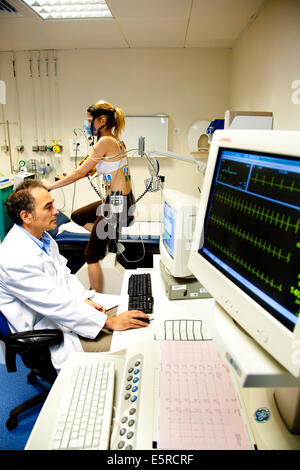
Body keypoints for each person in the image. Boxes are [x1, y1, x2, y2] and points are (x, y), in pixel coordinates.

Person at [0, 180, 148, 372]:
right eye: (48, 207)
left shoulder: (43, 239)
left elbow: (65, 276)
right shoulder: (15, 258)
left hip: (68, 312)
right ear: (26, 216)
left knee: (138, 312)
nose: (56, 211)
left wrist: (85, 300)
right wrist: (109, 322)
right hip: (49, 331)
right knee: (135, 346)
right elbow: (55, 304)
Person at [44, 100, 135, 293]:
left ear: (102, 120)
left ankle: (97, 300)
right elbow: (90, 170)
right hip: (120, 201)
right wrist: (66, 176)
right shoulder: (116, 140)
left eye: (89, 120)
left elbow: (80, 173)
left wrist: (51, 186)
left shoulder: (105, 142)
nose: (87, 125)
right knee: (78, 216)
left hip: (117, 204)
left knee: (91, 255)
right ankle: (105, 238)